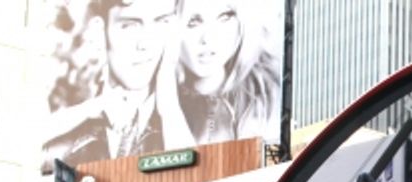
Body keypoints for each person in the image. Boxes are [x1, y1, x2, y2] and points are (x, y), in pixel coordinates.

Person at [43, 0, 190, 165]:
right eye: (129, 26)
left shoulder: (206, 117)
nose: (146, 44)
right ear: (99, 32)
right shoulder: (61, 137)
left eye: (162, 22)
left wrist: (169, 107)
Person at [176, 0, 281, 145]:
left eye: (224, 17)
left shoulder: (270, 94)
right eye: (193, 22)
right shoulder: (152, 103)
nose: (208, 38)